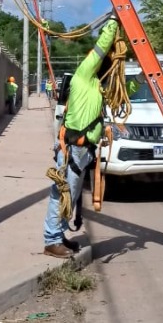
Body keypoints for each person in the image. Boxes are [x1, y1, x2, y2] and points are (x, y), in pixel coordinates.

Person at [43, 16, 119, 258]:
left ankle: (58, 235)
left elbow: (121, 91)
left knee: (71, 194)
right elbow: (101, 47)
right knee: (62, 193)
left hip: (84, 150)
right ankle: (51, 241)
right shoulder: (84, 75)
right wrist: (114, 22)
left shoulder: (97, 87)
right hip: (73, 149)